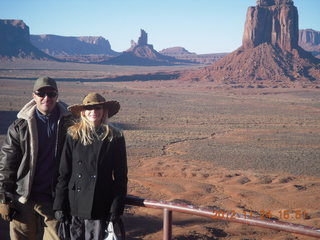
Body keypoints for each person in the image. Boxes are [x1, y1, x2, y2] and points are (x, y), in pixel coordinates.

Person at [0, 76, 72, 239]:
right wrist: (4, 197)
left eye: (51, 94)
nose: (46, 98)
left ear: (57, 95)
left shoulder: (70, 125)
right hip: (23, 199)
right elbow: (7, 164)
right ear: (34, 96)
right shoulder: (20, 126)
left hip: (55, 200)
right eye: (41, 93)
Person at [53, 92, 128, 240]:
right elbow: (64, 173)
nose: (93, 112)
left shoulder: (115, 137)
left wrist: (116, 208)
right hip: (74, 207)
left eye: (97, 107)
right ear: (83, 112)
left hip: (100, 206)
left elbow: (120, 176)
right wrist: (59, 206)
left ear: (104, 110)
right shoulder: (73, 135)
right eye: (89, 108)